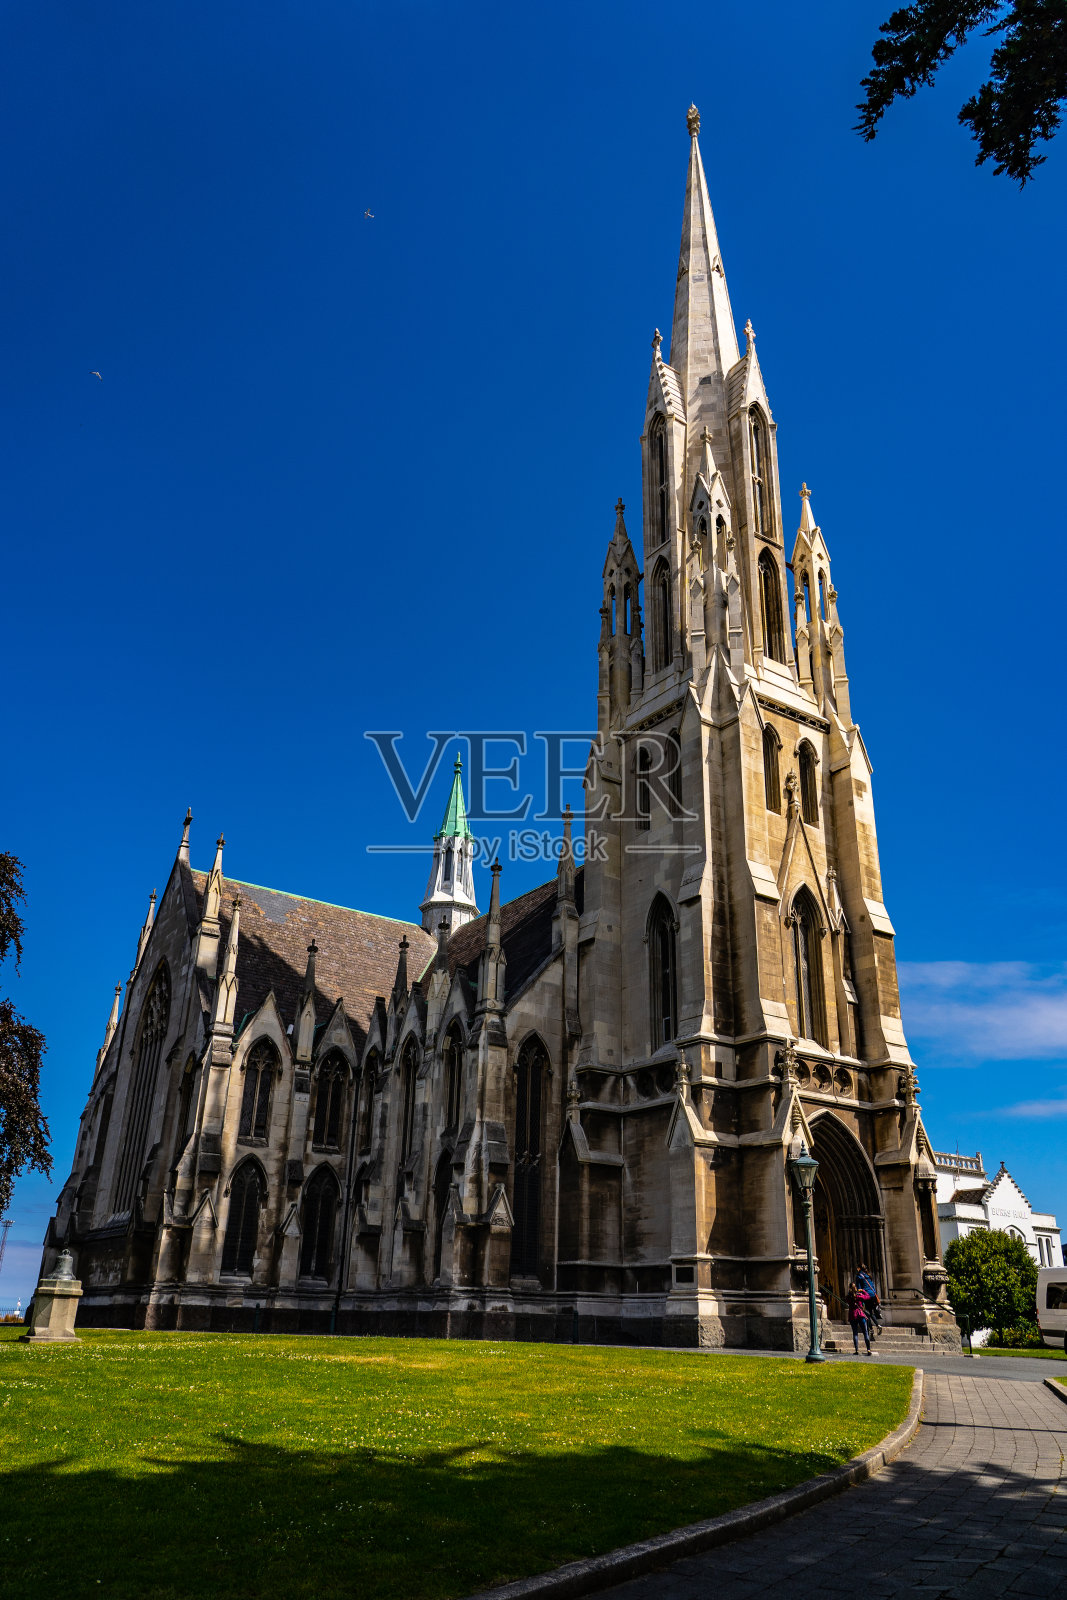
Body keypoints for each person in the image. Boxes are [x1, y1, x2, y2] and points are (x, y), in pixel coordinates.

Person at [846, 1278, 874, 1355]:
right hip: (860, 1314)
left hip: (852, 1315)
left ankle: (857, 1350)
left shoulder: (848, 1297)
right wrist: (863, 1291)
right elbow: (868, 1297)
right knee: (865, 1332)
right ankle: (868, 1349)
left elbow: (847, 1301)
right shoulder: (859, 1296)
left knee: (855, 1333)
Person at [856, 1263, 882, 1328]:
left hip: (866, 1296)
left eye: (857, 1268)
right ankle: (877, 1325)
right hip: (873, 1295)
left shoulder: (859, 1276)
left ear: (859, 1268)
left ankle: (870, 1328)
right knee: (870, 1311)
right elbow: (872, 1286)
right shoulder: (868, 1275)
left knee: (865, 1312)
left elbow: (859, 1289)